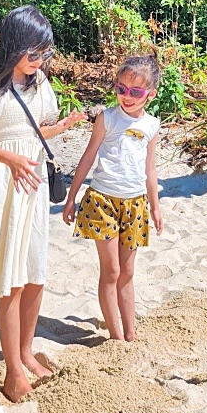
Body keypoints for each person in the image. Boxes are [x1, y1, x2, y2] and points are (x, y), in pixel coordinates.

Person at [0, 5, 86, 403]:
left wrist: (63, 127)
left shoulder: (39, 83)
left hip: (31, 188)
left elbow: (34, 132)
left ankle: (26, 352)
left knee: (34, 273)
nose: (42, 60)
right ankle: (13, 370)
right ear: (16, 46)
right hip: (2, 184)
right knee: (10, 279)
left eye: (45, 53)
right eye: (36, 53)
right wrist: (10, 159)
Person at [62, 55, 163, 342]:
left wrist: (155, 208)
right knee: (112, 271)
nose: (126, 97)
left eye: (135, 92)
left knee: (128, 272)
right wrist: (72, 197)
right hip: (102, 201)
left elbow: (150, 170)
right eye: (121, 89)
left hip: (135, 204)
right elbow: (88, 156)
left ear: (150, 94)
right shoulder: (107, 117)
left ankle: (130, 333)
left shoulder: (152, 126)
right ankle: (117, 337)